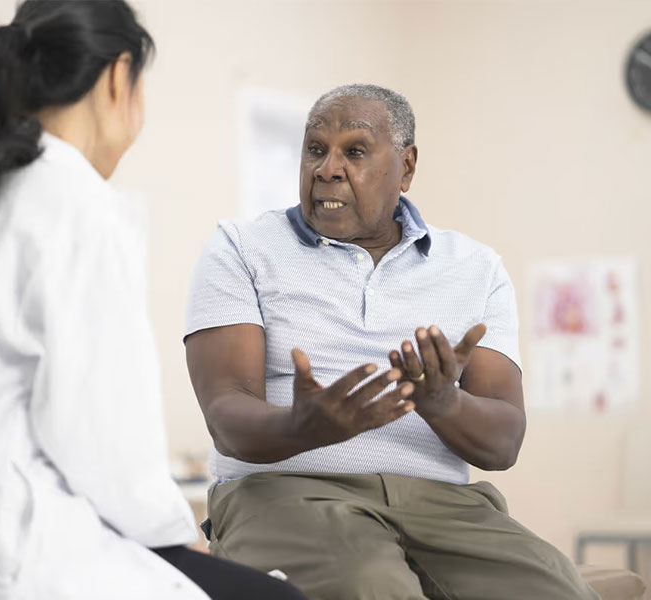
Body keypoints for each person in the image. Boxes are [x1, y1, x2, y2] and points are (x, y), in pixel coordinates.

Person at [0, 2, 308, 599]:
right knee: (275, 595)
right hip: (14, 553)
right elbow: (104, 438)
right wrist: (179, 536)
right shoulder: (68, 197)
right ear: (116, 76)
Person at [185, 84, 599, 600]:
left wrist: (445, 403)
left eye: (354, 151)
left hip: (443, 506)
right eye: (316, 149)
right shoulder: (241, 247)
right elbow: (225, 413)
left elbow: (503, 442)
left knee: (557, 589)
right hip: (284, 493)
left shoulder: (477, 269)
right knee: (372, 586)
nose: (327, 168)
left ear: (405, 168)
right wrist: (301, 425)